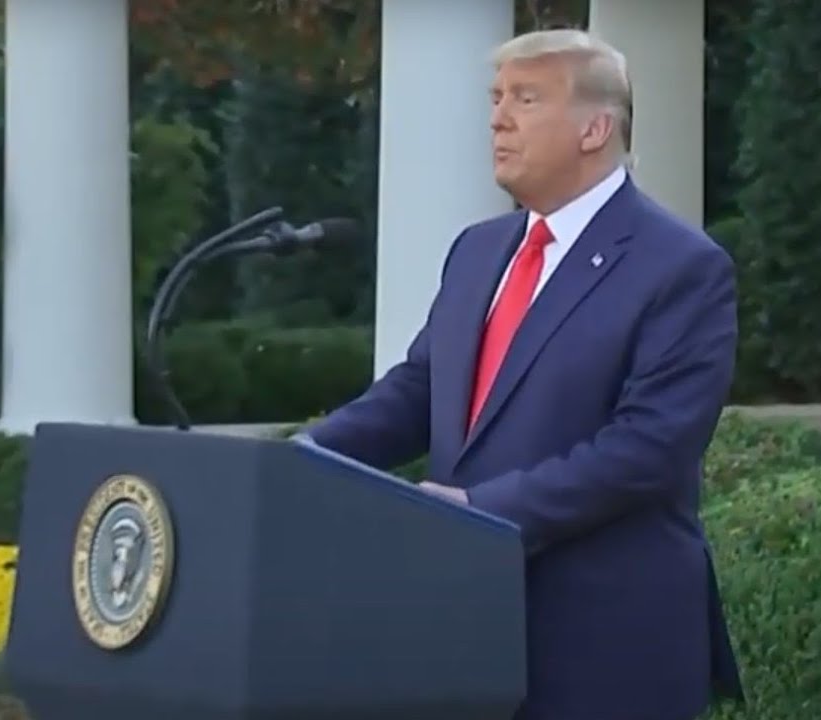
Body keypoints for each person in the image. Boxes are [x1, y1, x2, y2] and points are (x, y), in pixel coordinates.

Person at [298, 28, 745, 720]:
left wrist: (479, 511)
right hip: (469, 631)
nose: (498, 118)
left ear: (595, 128)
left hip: (606, 643)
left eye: (526, 99)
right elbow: (419, 391)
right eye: (497, 97)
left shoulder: (681, 267)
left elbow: (648, 449)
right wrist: (303, 459)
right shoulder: (479, 251)